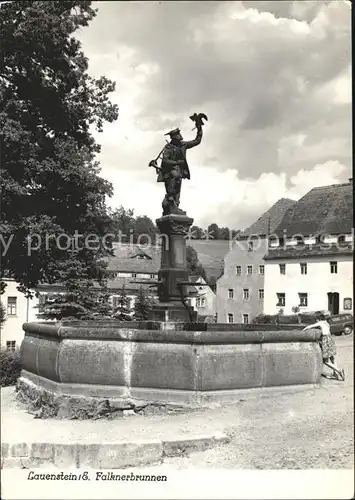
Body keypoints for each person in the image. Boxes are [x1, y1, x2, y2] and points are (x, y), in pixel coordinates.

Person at [156, 124, 203, 215]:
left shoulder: (183, 145)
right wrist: (177, 162)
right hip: (170, 172)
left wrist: (199, 128)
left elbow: (197, 141)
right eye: (177, 137)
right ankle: (170, 203)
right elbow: (165, 161)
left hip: (179, 172)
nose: (180, 139)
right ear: (173, 138)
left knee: (177, 190)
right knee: (173, 186)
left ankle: (175, 207)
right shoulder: (168, 148)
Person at [303, 312, 345, 381]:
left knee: (325, 361)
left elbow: (309, 326)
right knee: (332, 358)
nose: (316, 320)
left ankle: (339, 370)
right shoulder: (326, 322)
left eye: (316, 319)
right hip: (330, 339)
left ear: (318, 319)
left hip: (325, 339)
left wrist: (303, 330)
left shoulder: (320, 323)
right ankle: (335, 374)